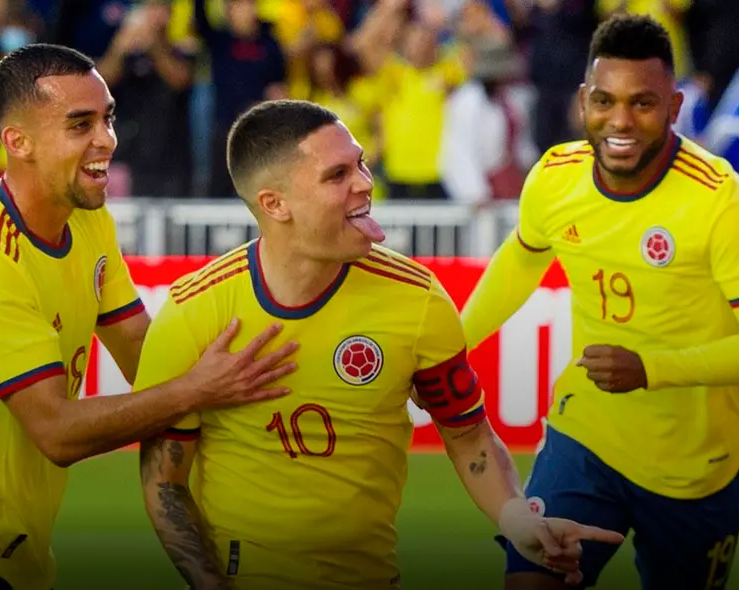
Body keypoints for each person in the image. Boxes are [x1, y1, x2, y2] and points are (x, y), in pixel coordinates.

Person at [134, 99, 625, 590]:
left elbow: (469, 437)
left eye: (362, 163)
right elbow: (165, 481)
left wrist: (518, 521)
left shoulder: (418, 299)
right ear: (274, 204)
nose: (366, 182)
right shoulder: (194, 311)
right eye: (337, 174)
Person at [0, 44, 297, 590]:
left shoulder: (86, 220)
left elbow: (145, 355)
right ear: (16, 142)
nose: (107, 140)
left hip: (12, 551)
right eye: (80, 124)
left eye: (108, 117)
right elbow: (57, 432)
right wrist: (197, 389)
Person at [460, 14, 739, 590]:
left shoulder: (722, 201)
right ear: (583, 100)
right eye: (604, 100)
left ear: (674, 106)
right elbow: (522, 259)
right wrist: (450, 345)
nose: (620, 121)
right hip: (584, 437)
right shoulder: (554, 176)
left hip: (695, 466)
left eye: (642, 104)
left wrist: (650, 369)